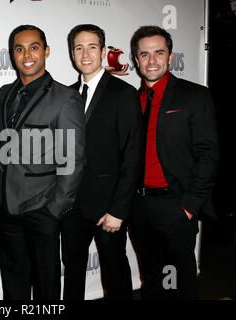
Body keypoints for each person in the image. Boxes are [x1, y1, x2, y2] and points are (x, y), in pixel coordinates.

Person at [0, 25, 85, 300]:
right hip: (5, 209)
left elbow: (74, 158)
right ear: (13, 55)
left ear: (46, 51)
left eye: (34, 47)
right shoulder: (5, 92)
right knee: (13, 285)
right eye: (19, 49)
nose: (26, 55)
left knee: (46, 287)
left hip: (41, 209)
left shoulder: (65, 97)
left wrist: (55, 209)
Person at [129, 26, 219, 300]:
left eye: (159, 53)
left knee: (177, 280)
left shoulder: (193, 96)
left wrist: (190, 206)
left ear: (170, 57)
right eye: (145, 54)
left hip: (175, 206)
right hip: (139, 207)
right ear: (136, 59)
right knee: (152, 277)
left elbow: (208, 154)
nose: (152, 60)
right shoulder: (133, 100)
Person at [61, 24, 143, 300]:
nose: (85, 54)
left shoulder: (123, 94)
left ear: (104, 52)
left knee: (115, 275)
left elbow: (133, 155)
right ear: (72, 54)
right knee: (72, 274)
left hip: (108, 208)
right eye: (79, 48)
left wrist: (119, 210)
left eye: (92, 46)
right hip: (71, 208)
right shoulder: (66, 95)